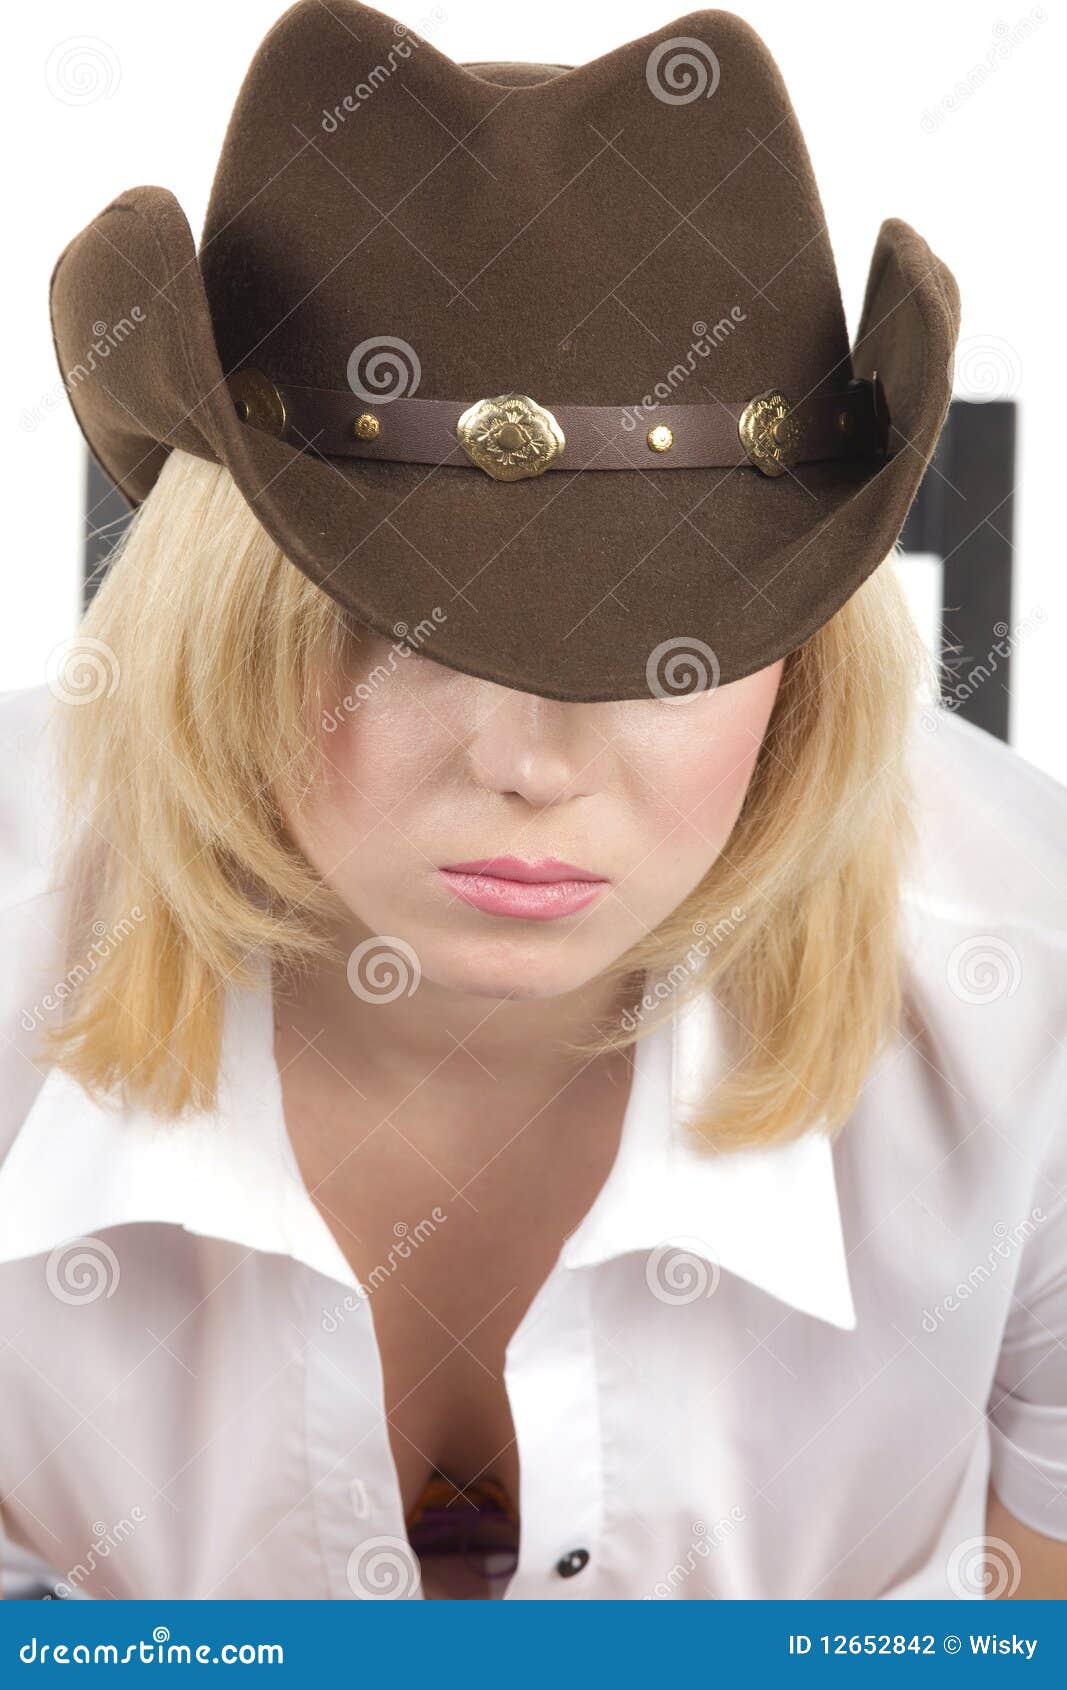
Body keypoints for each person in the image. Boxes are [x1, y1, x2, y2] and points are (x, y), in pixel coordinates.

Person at [2, 1, 1064, 1601]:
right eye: (395, 620)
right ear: (224, 616)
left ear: (803, 652)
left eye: (660, 633)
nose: (527, 759)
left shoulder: (1035, 998)